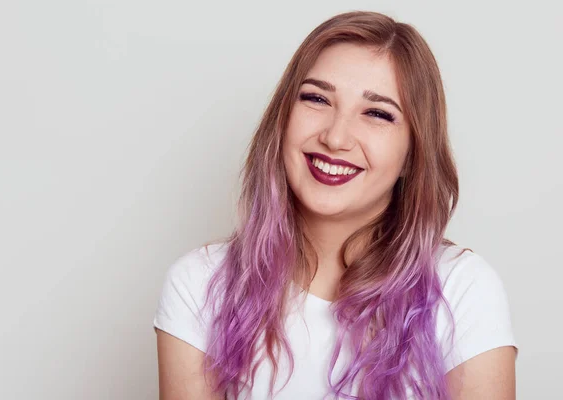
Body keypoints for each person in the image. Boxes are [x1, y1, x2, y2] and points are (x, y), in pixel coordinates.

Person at [153, 11, 517, 400]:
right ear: (282, 119)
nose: (335, 136)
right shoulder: (199, 284)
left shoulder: (464, 290)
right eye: (316, 98)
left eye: (377, 113)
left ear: (414, 152)